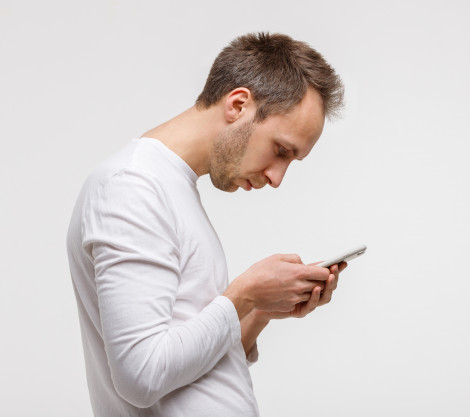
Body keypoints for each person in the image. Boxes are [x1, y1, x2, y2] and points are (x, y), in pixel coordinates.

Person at [66, 32, 347, 417]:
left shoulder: (168, 186)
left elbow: (187, 375)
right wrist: (244, 295)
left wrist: (260, 311)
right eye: (281, 150)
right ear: (238, 104)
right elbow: (141, 376)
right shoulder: (132, 188)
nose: (278, 177)